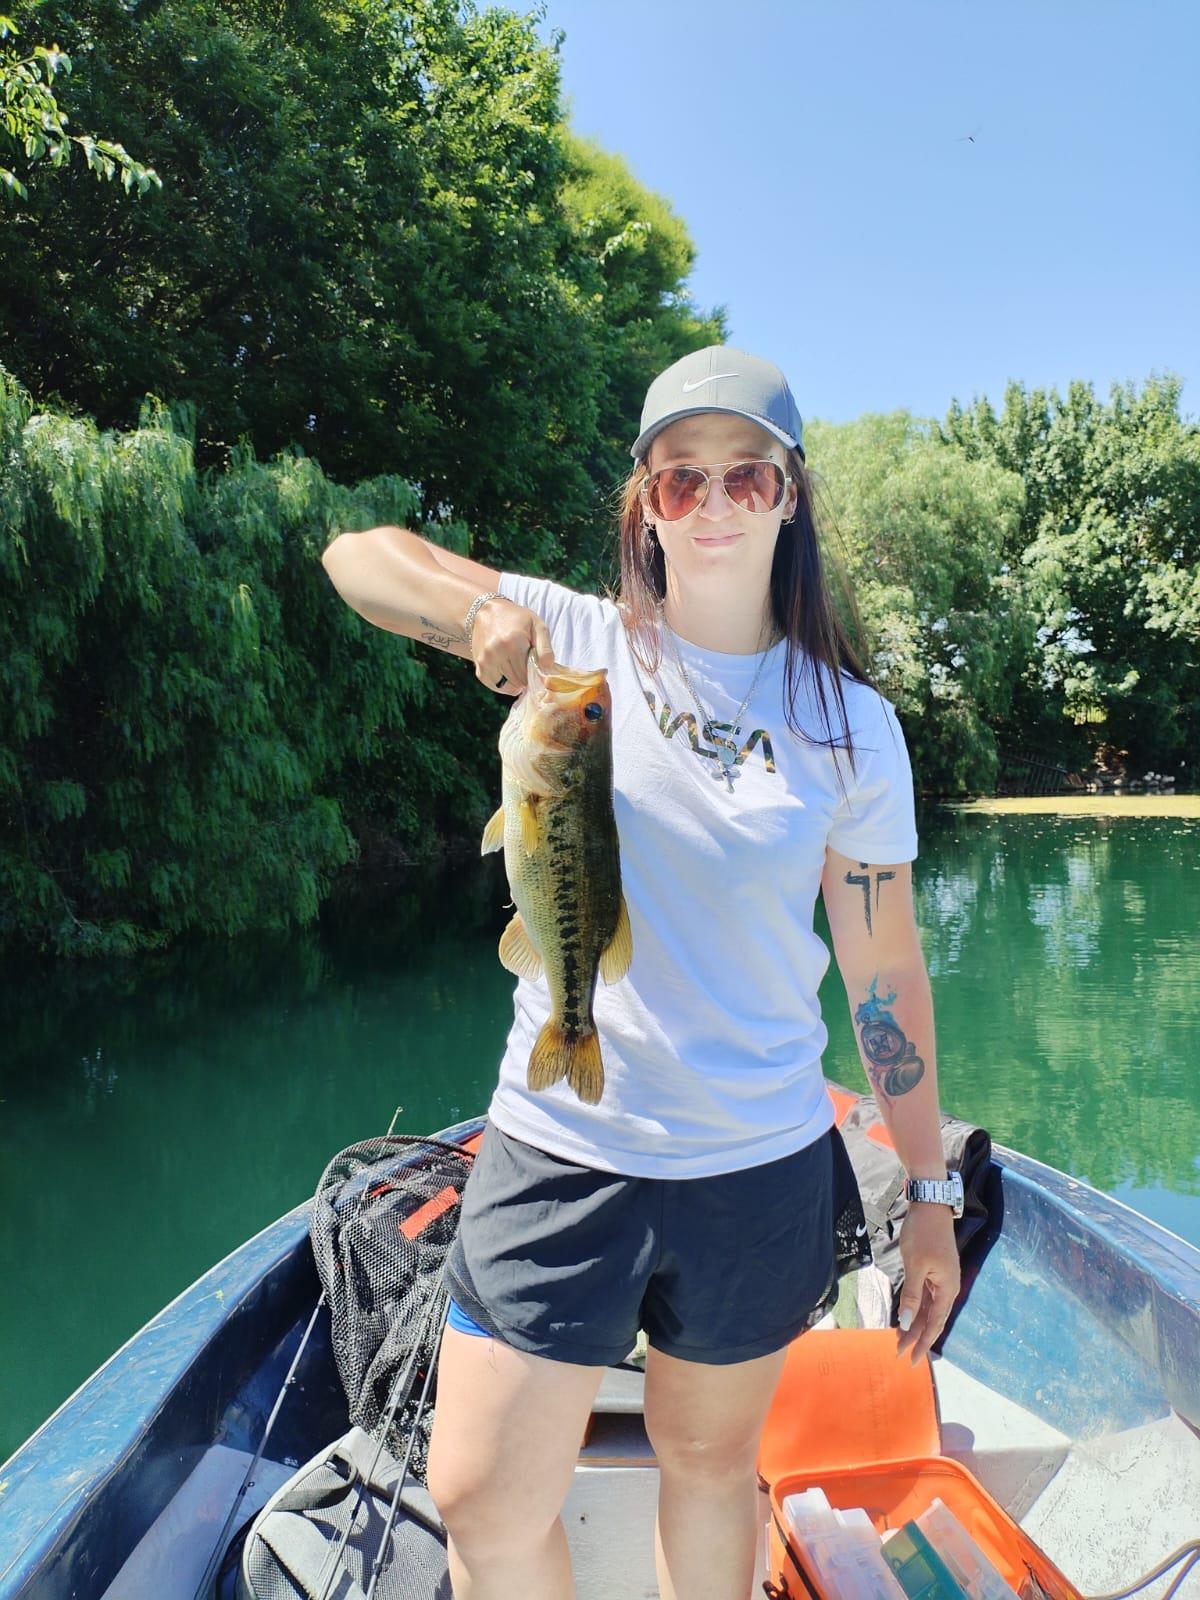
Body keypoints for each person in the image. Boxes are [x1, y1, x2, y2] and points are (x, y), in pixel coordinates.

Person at [320, 345, 962, 1600]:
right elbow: (359, 557)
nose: (713, 503)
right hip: (560, 1139)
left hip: (756, 1162)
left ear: (789, 496)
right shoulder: (577, 641)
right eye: (680, 480)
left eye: (746, 476)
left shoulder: (851, 726)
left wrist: (929, 1187)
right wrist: (478, 617)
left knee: (711, 1465)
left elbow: (884, 970)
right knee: (482, 1494)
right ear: (646, 509)